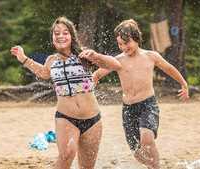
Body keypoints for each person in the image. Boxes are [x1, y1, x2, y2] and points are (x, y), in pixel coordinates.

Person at [10, 17, 121, 169]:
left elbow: (115, 65)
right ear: (53, 38)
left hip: (93, 120)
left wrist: (96, 57)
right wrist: (23, 58)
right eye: (56, 33)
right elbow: (43, 73)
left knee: (87, 166)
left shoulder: (84, 55)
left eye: (65, 33)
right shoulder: (51, 60)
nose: (61, 36)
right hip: (66, 118)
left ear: (72, 36)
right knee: (67, 153)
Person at [93, 19, 189, 169]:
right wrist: (93, 80)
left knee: (147, 139)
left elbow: (169, 68)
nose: (124, 47)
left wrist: (183, 84)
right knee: (136, 152)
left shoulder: (151, 56)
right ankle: (151, 165)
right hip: (128, 109)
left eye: (127, 42)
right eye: (120, 44)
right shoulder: (117, 61)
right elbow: (98, 74)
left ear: (136, 38)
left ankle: (156, 167)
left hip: (147, 105)